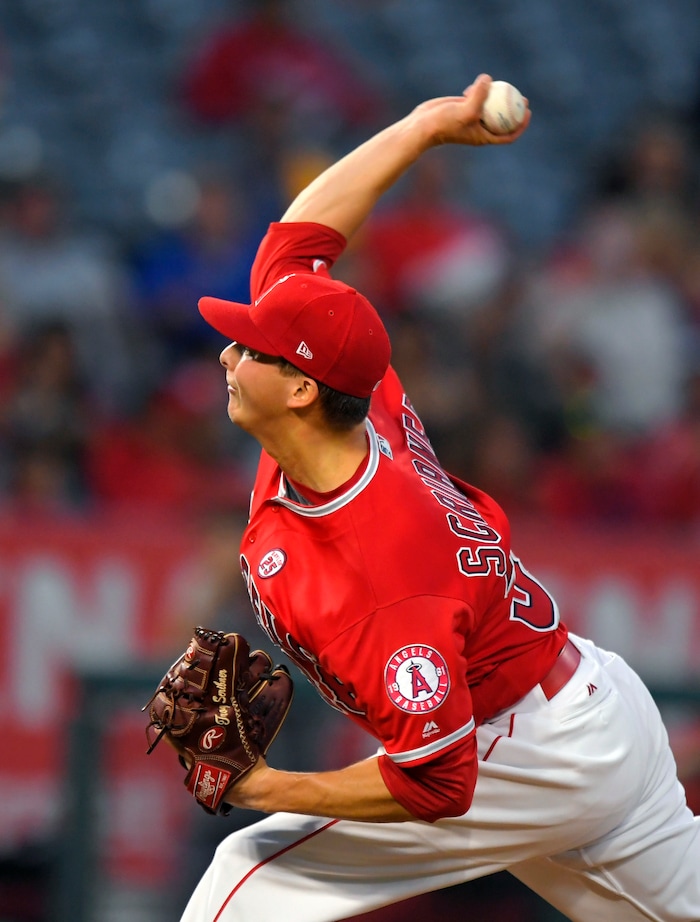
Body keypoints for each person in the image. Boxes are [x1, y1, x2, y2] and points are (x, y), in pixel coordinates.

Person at [180, 74, 700, 922]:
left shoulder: (383, 564)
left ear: (304, 390)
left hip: (535, 753)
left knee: (246, 876)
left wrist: (261, 784)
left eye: (252, 352)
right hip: (590, 710)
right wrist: (423, 126)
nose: (228, 357)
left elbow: (439, 782)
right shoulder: (360, 388)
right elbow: (299, 238)